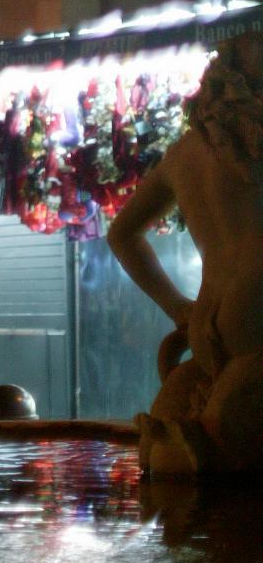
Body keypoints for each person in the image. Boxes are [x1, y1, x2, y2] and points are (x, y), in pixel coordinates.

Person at [107, 31, 263, 472]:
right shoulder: (257, 145)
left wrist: (178, 307)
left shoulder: (182, 156)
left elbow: (121, 235)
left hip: (207, 314)